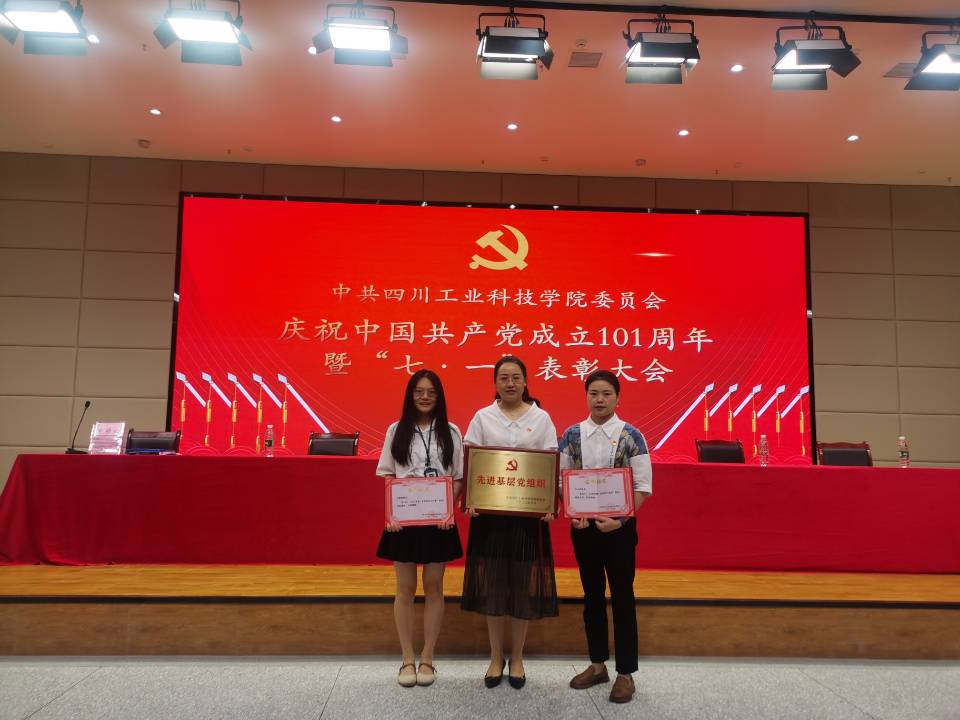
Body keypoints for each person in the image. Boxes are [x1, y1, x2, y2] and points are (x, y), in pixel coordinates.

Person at [461, 355, 559, 690]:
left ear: (526, 381)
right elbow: (470, 463)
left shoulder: (541, 418)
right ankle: (495, 656)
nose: (510, 383)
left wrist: (550, 503)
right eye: (503, 377)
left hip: (527, 520)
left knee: (520, 587)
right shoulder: (482, 417)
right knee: (493, 587)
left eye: (516, 377)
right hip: (489, 519)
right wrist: (470, 499)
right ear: (495, 383)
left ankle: (517, 657)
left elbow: (551, 467)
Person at [558, 369, 653, 704]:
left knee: (623, 597)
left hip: (619, 532)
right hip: (584, 531)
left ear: (617, 398)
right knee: (592, 597)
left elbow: (642, 487)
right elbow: (562, 481)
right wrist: (573, 513)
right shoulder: (571, 435)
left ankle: (626, 673)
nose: (599, 400)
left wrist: (621, 519)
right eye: (594, 393)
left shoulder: (632, 436)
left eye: (606, 394)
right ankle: (597, 665)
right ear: (586, 396)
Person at [376, 369, 464, 688]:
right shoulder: (396, 430)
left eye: (431, 392)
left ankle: (427, 657)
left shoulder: (451, 432)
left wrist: (448, 508)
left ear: (439, 397)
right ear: (410, 396)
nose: (425, 397)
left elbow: (458, 477)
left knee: (434, 588)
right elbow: (389, 475)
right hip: (405, 521)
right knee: (404, 590)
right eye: (418, 391)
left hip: (438, 521)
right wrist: (392, 512)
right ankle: (407, 659)